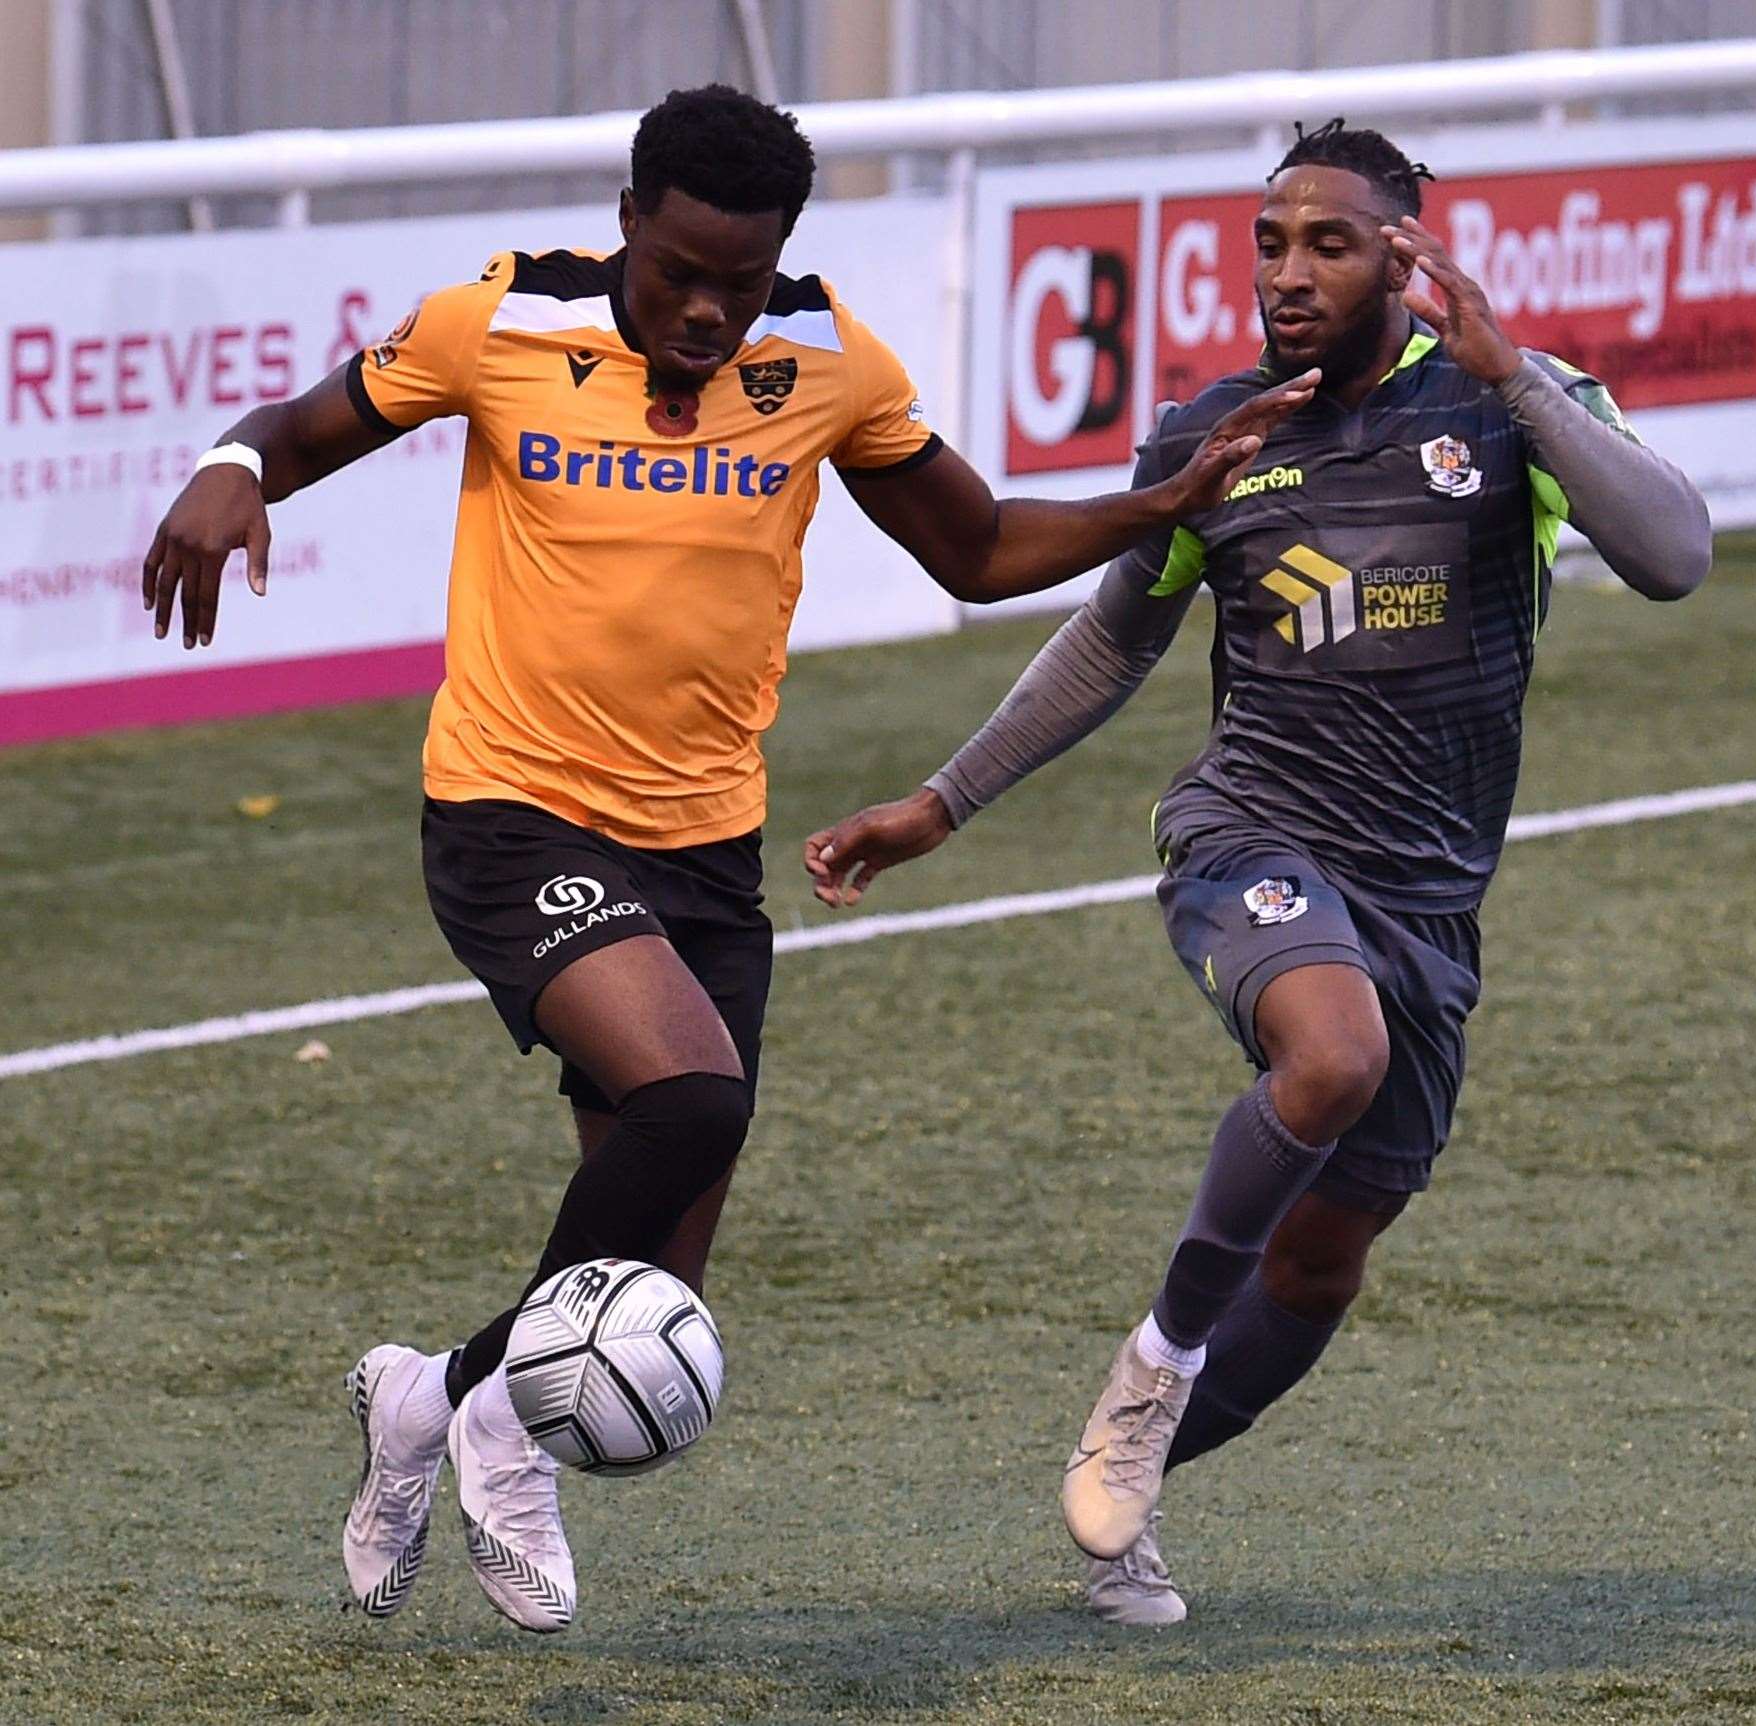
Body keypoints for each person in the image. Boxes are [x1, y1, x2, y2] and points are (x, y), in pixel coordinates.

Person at [140, 84, 1316, 1634]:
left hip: (704, 846)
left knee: (654, 1291)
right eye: (682, 270)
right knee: (694, 1092)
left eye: (742, 280)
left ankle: (426, 1398)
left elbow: (968, 552)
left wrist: (1153, 506)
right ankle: (500, 1442)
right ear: (629, 222)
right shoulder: (501, 320)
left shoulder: (823, 357)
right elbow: (300, 429)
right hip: (513, 809)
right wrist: (231, 462)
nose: (708, 309)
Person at [805, 119, 1711, 1627]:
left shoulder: (1508, 420)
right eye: (1269, 244)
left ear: (1406, 258)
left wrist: (1515, 377)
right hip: (1250, 836)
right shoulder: (1218, 431)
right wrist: (939, 802)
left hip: (1424, 897)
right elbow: (1114, 637)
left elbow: (1674, 553)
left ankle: (1131, 1488)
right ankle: (1153, 1363)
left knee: (1321, 1262)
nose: (1287, 273)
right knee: (1328, 1050)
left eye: (1328, 244)